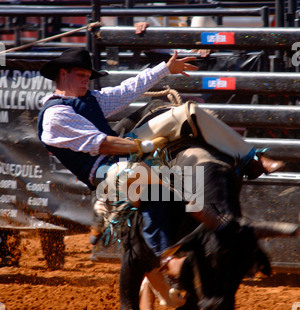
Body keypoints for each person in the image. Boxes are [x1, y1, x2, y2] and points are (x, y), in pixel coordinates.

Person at [38, 47, 283, 277]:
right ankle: (169, 256)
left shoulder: (90, 99)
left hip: (127, 154)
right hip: (104, 171)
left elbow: (126, 90)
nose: (85, 80)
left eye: (88, 76)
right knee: (148, 181)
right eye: (81, 75)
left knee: (188, 112)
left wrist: (165, 68)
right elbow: (103, 144)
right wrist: (143, 146)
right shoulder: (55, 115)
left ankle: (252, 158)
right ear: (63, 74)